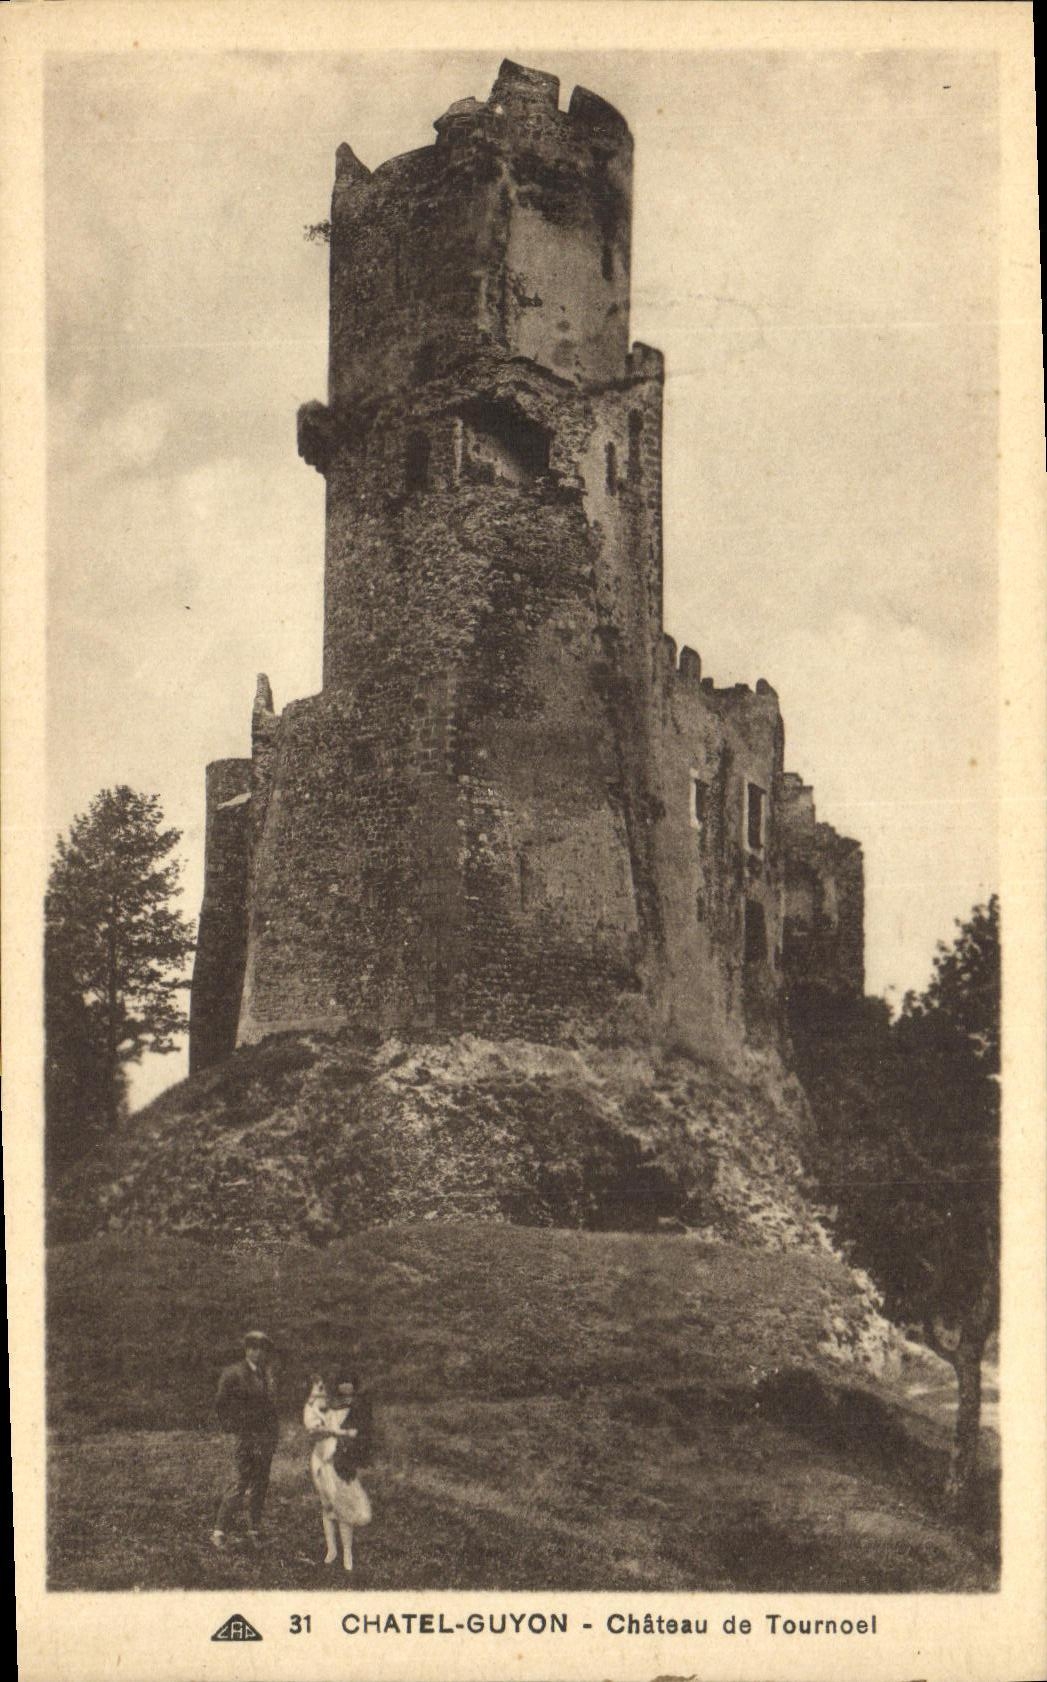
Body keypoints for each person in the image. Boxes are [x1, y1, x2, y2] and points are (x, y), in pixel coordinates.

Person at [211, 1330, 279, 1550]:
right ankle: (219, 1532)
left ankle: (255, 1530)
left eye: (260, 1348)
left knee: (261, 1482)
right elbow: (220, 1404)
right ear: (246, 1349)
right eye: (252, 1347)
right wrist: (233, 1426)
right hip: (246, 1436)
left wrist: (272, 1435)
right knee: (241, 1481)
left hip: (265, 1437)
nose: (256, 1352)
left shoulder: (266, 1374)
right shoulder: (234, 1373)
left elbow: (271, 1407)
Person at [302, 1370, 373, 1573]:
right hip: (321, 1463)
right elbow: (315, 1433)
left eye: (322, 1390)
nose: (320, 1394)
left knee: (343, 1508)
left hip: (340, 1463)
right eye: (317, 1391)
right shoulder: (313, 1410)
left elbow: (362, 1433)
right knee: (327, 1506)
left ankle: (347, 1553)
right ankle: (332, 1549)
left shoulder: (350, 1407)